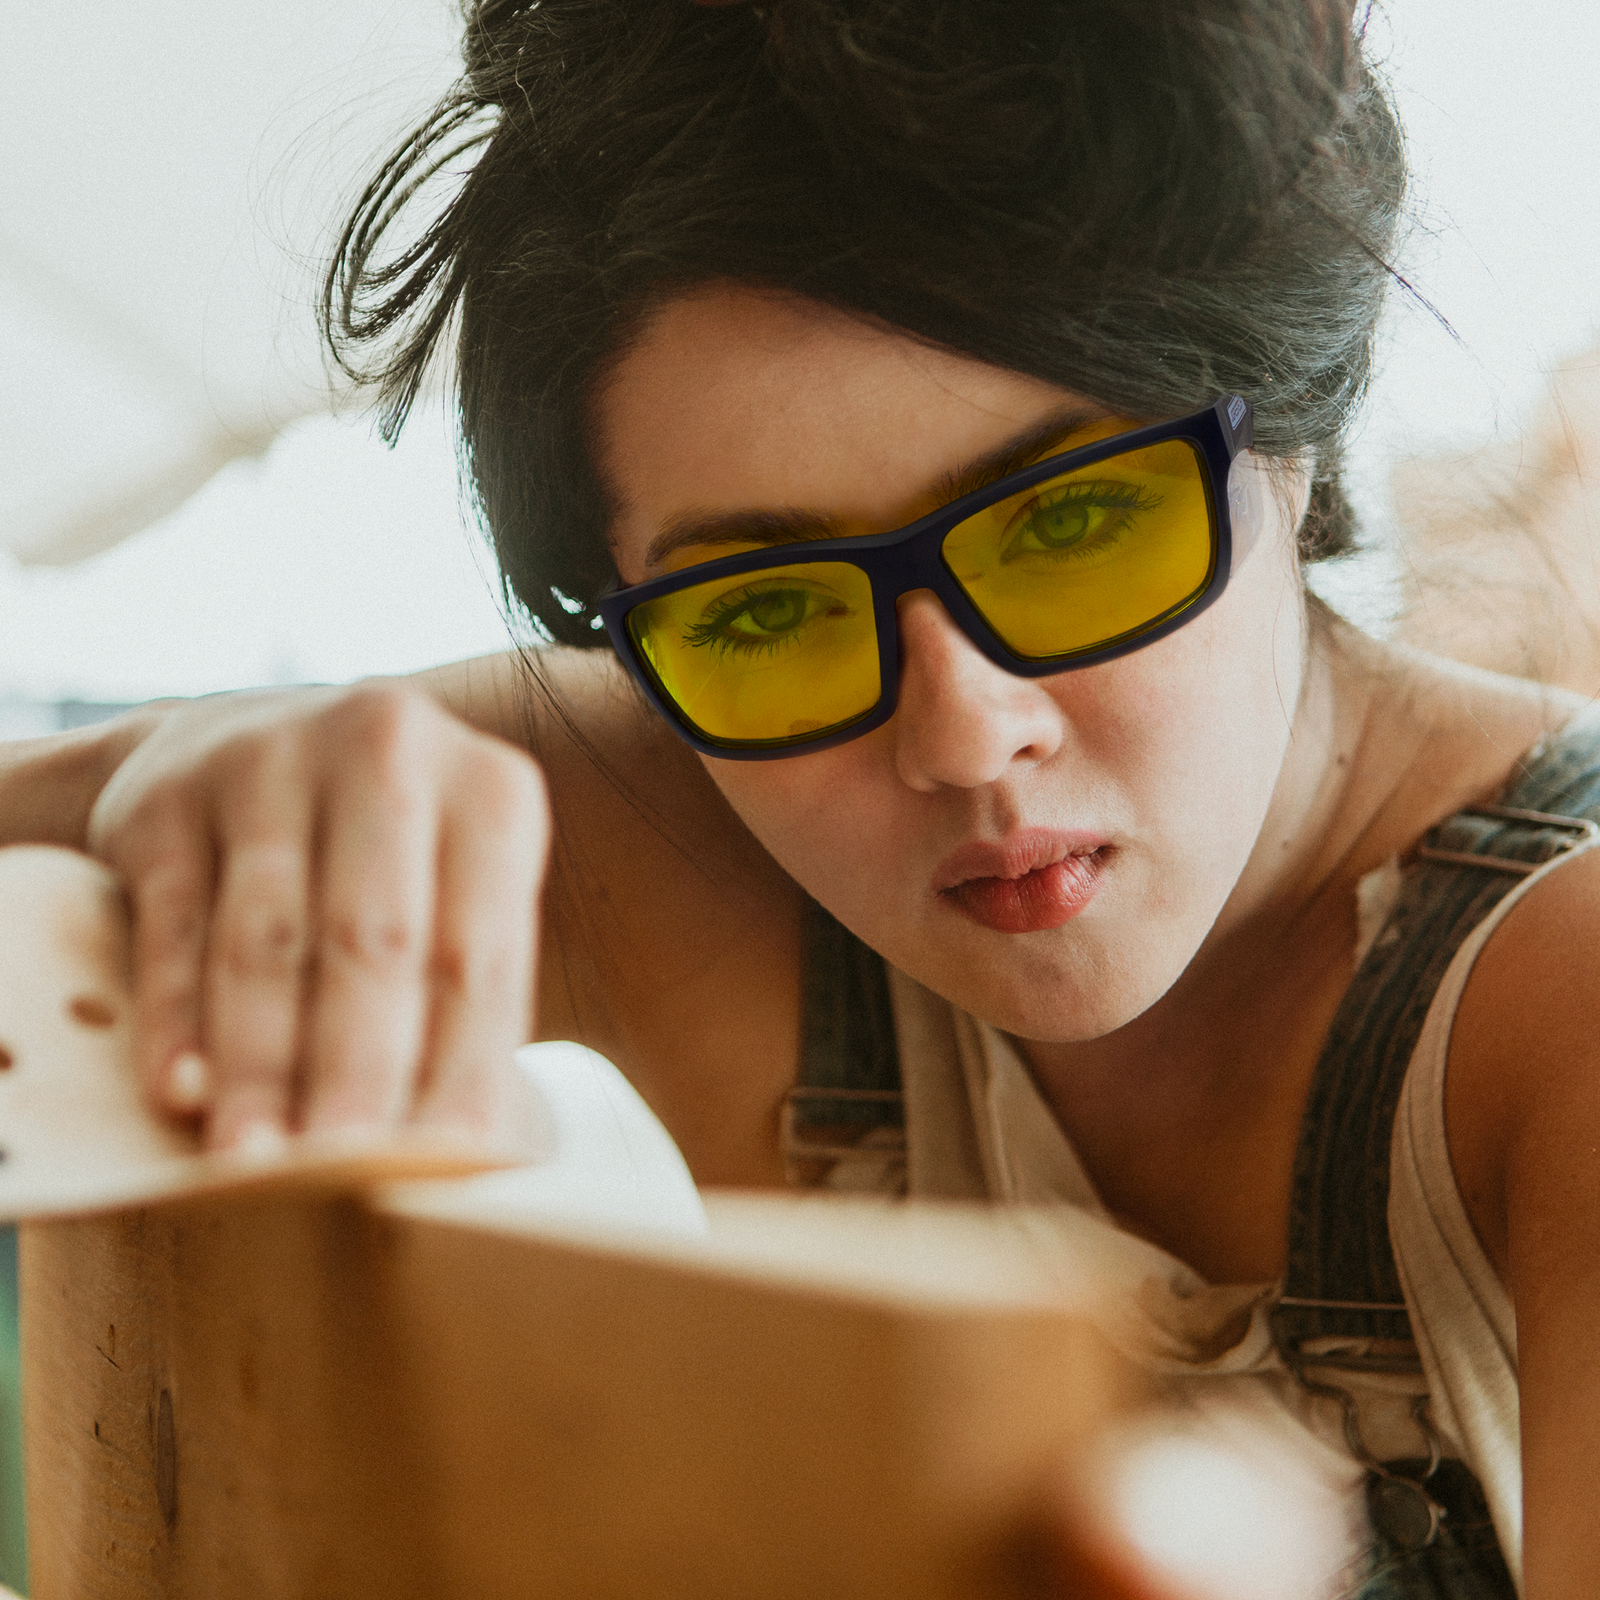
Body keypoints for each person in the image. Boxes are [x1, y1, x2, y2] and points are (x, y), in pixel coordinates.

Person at [3, 1, 1595, 1593]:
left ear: (1292, 440)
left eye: (1070, 522)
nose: (964, 735)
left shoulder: (1565, 984)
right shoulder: (656, 800)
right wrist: (162, 774)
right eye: (766, 606)